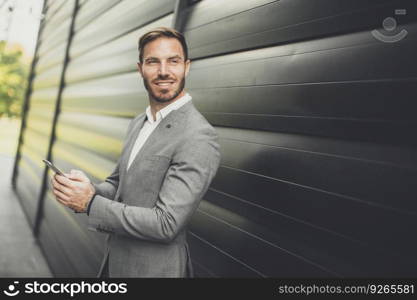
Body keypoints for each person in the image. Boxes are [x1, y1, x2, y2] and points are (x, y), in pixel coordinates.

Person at [50, 27, 221, 278]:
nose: (163, 71)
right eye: (153, 61)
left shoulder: (198, 136)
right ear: (140, 68)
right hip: (115, 265)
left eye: (173, 61)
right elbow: (119, 185)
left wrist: (90, 203)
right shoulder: (140, 121)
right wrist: (87, 189)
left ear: (186, 67)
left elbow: (167, 224)